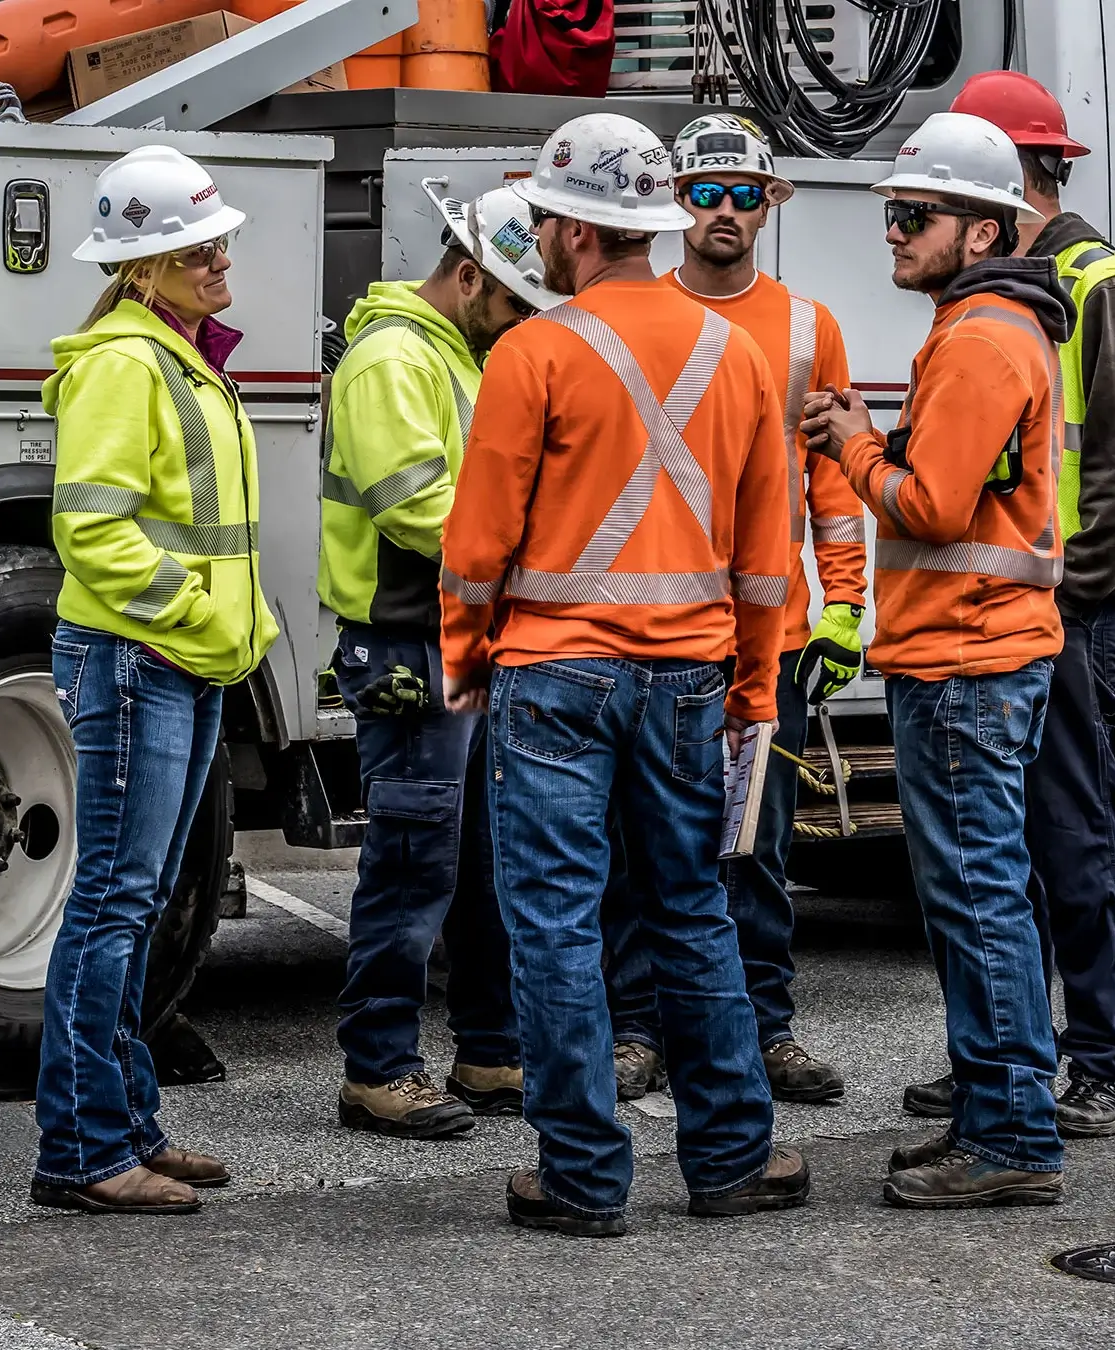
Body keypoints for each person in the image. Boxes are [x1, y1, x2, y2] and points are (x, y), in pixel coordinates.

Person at [440, 112, 809, 1238]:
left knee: (554, 924)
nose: (542, 238)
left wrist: (466, 658)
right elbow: (764, 554)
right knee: (693, 910)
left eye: (547, 220)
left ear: (573, 230)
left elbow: (476, 543)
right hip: (692, 678)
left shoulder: (533, 354)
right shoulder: (737, 356)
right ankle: (733, 1159)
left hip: (554, 678)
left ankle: (585, 1175)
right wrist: (753, 686)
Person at [895, 72, 1115, 1137]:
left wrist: (1072, 588)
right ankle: (1016, 1055)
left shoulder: (1094, 284)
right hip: (1023, 605)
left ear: (1004, 179)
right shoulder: (1005, 291)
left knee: (1084, 834)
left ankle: (1107, 1058)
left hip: (1074, 610)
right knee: (1000, 846)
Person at [800, 112, 1072, 1209]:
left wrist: (850, 442)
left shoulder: (978, 339)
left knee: (975, 897)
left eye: (915, 216)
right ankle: (992, 1106)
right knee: (978, 891)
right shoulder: (987, 329)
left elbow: (928, 502)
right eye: (893, 216)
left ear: (980, 232)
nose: (895, 233)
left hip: (966, 656)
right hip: (975, 649)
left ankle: (1009, 1134)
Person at [602, 114, 867, 1107]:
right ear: (676, 203)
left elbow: (833, 482)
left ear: (770, 204)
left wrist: (845, 607)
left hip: (771, 632)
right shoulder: (634, 316)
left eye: (741, 194)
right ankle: (640, 1030)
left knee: (756, 842)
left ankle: (766, 1027)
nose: (722, 210)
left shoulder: (809, 329)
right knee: (643, 843)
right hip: (657, 630)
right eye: (704, 192)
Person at [33, 146, 273, 1215]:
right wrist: (192, 615)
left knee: (134, 903)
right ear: (144, 269)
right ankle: (86, 1152)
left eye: (215, 241)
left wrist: (235, 622)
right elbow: (94, 533)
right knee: (114, 906)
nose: (220, 260)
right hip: (143, 658)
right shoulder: (128, 364)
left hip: (171, 657)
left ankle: (120, 1128)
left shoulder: (171, 353)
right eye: (194, 249)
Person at [319, 188, 565, 1138]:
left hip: (459, 633)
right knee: (415, 861)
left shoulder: (451, 354)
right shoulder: (392, 358)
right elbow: (419, 510)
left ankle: (491, 1050)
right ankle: (377, 1067)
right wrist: (536, 548)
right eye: (509, 301)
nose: (517, 324)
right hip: (413, 636)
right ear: (468, 276)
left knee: (483, 859)